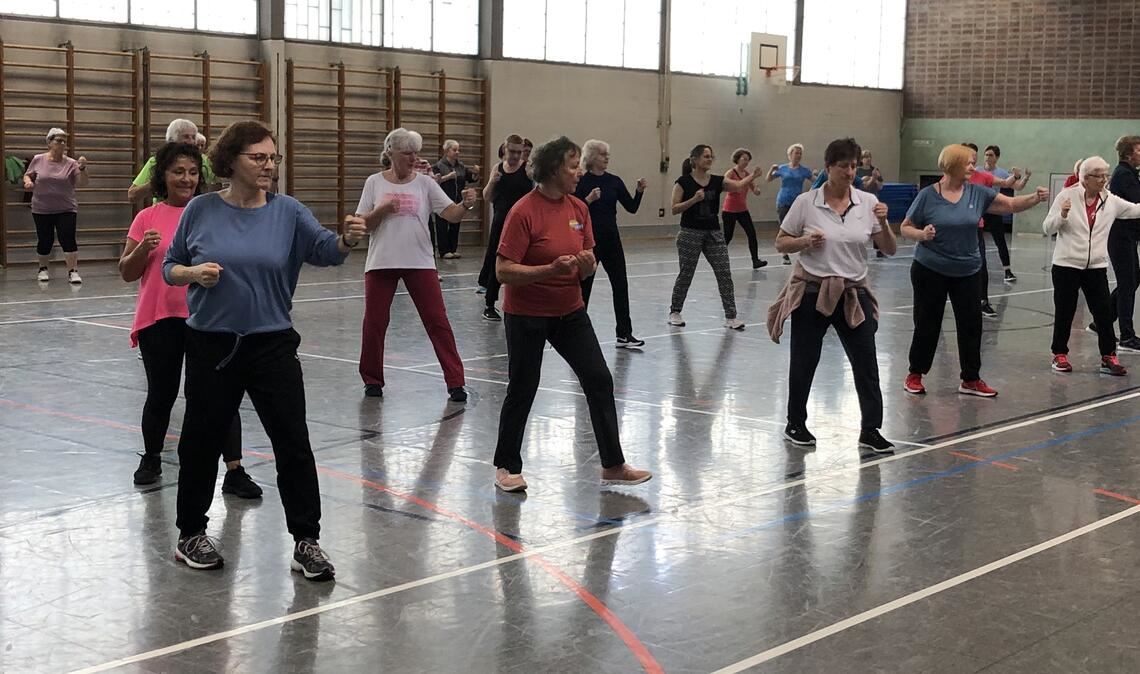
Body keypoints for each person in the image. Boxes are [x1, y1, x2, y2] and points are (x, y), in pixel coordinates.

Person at [163, 120, 366, 579]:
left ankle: (306, 541)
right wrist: (193, 275)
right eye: (258, 157)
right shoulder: (199, 209)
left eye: (273, 157)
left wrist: (347, 239)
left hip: (271, 343)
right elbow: (170, 267)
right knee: (200, 442)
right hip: (211, 344)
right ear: (231, 161)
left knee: (293, 442)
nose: (268, 165)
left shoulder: (288, 212)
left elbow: (326, 250)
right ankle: (190, 533)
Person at [490, 135, 652, 492]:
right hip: (527, 314)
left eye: (579, 164)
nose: (578, 172)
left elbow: (588, 263)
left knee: (598, 378)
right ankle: (506, 465)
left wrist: (585, 265)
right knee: (523, 387)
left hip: (570, 311)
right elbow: (503, 271)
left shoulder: (579, 209)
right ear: (551, 170)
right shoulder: (523, 212)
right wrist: (548, 270)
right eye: (572, 165)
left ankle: (612, 464)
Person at [118, 142, 259, 497]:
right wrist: (142, 249)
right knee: (161, 393)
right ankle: (151, 457)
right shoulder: (146, 218)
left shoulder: (214, 212)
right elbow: (126, 272)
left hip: (210, 317)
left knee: (221, 394)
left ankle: (235, 470)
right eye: (178, 171)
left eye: (193, 172)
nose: (187, 178)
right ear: (163, 176)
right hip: (160, 318)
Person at [767, 138, 898, 453]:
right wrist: (804, 242)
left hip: (853, 292)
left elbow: (889, 249)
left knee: (866, 361)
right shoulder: (806, 202)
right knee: (804, 359)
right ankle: (795, 423)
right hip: (813, 291)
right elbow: (781, 242)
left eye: (853, 165)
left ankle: (871, 429)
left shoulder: (867, 202)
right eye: (843, 166)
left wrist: (883, 221)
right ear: (828, 168)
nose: (850, 172)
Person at [900, 143, 1048, 398]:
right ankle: (915, 373)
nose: (972, 167)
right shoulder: (927, 195)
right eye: (968, 162)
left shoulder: (977, 193)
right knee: (927, 323)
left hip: (968, 271)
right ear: (953, 165)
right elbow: (905, 227)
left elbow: (1010, 205)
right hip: (930, 269)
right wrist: (922, 234)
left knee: (971, 325)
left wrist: (1035, 198)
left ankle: (971, 378)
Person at [355, 128, 475, 401]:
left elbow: (451, 215)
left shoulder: (425, 184)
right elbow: (363, 225)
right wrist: (382, 210)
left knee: (437, 321)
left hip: (419, 261)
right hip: (381, 262)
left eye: (415, 153)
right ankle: (372, 379)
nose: (413, 158)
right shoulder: (374, 182)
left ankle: (456, 381)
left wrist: (466, 205)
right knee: (374, 323)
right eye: (407, 153)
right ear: (390, 154)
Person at [1043, 156, 1139, 376]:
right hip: (1066, 265)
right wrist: (1062, 215)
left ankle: (1108, 357)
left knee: (1104, 314)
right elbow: (1047, 227)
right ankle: (1059, 354)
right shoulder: (1066, 196)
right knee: (1064, 312)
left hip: (1095, 267)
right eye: (1099, 176)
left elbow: (1134, 210)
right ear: (1085, 178)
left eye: (1106, 175)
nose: (1104, 180)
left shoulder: (1110, 200)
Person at [668, 144, 761, 330]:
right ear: (694, 160)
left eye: (711, 156)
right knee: (686, 273)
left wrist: (753, 176)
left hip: (713, 233)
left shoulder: (718, 181)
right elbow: (674, 208)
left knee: (724, 272)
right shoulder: (683, 182)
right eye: (706, 156)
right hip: (690, 233)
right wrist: (693, 200)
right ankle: (675, 311)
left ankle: (731, 316)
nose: (710, 159)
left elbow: (737, 186)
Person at [575, 139, 647, 347]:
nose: (606, 158)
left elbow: (631, 207)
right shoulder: (581, 182)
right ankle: (578, 334)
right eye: (601, 154)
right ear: (590, 158)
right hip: (590, 241)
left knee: (620, 285)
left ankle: (624, 334)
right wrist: (587, 200)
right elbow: (572, 215)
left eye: (607, 154)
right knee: (584, 287)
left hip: (612, 239)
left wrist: (639, 192)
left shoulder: (614, 181)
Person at [962, 142, 1024, 318]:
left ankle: (983, 301)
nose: (973, 159)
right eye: (970, 156)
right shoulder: (953, 177)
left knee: (981, 263)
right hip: (956, 229)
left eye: (974, 156)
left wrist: (1018, 177)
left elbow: (1006, 183)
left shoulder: (982, 175)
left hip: (978, 223)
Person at [478, 134, 533, 320]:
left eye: (519, 152)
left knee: (524, 260)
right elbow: (486, 197)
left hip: (522, 222)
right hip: (501, 221)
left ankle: (522, 301)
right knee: (497, 259)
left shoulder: (527, 169)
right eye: (513, 151)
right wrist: (493, 181)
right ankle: (489, 303)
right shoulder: (497, 168)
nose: (516, 156)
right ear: (505, 149)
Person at [23, 127, 88, 284]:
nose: (62, 144)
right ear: (49, 143)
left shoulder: (72, 163)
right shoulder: (38, 159)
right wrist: (28, 182)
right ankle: (43, 269)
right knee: (45, 239)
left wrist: (83, 169)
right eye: (58, 141)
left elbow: (83, 183)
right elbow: (27, 175)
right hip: (41, 208)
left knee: (68, 238)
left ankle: (73, 271)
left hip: (66, 208)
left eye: (64, 141)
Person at [1102, 135, 1140, 351]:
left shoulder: (1129, 173)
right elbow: (1136, 203)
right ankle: (1127, 336)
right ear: (1128, 153)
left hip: (1128, 236)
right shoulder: (1123, 175)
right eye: (1138, 150)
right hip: (1119, 236)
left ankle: (1102, 321)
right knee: (1127, 283)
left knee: (1133, 280)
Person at [129, 119, 216, 204]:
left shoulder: (205, 161)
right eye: (186, 137)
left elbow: (219, 185)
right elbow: (132, 195)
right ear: (172, 140)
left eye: (193, 137)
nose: (191, 141)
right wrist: (157, 181)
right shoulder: (156, 161)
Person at [979, 145, 1031, 284]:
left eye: (990, 155)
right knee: (975, 241)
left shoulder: (1001, 173)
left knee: (1000, 241)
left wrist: (1024, 177)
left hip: (994, 210)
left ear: (996, 157)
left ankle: (1007, 271)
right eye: (986, 154)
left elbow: (1017, 186)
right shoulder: (977, 171)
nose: (987, 157)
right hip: (979, 211)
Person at [767, 143, 816, 264]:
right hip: (783, 200)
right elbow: (769, 179)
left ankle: (800, 248)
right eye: (796, 153)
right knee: (784, 225)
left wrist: (816, 175)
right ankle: (784, 253)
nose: (798, 155)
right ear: (790, 155)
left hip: (797, 201)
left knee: (799, 226)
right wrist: (771, 170)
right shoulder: (782, 168)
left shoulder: (804, 170)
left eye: (800, 153)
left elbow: (816, 182)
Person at [433, 139, 480, 259]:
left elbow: (471, 178)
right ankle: (444, 250)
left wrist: (475, 173)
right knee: (442, 225)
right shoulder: (438, 166)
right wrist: (447, 177)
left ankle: (453, 248)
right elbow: (434, 183)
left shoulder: (461, 166)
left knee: (455, 223)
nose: (457, 152)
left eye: (458, 150)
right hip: (443, 199)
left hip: (457, 198)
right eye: (454, 150)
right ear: (447, 151)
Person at [721, 148, 767, 270]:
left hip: (742, 210)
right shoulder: (731, 173)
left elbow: (754, 189)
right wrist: (737, 186)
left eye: (748, 160)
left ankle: (755, 260)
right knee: (727, 236)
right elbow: (724, 186)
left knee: (751, 233)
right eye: (744, 159)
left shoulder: (747, 174)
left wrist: (757, 190)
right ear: (737, 159)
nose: (746, 162)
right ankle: (719, 257)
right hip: (729, 210)